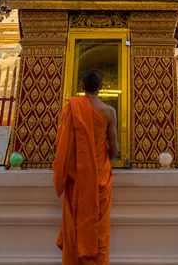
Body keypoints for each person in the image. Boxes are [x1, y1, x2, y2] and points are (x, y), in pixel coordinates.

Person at [53, 69, 118, 265]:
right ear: (102, 87)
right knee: (99, 227)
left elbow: (62, 144)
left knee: (76, 224)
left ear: (82, 87)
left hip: (77, 178)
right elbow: (114, 150)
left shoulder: (71, 107)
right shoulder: (109, 111)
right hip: (100, 178)